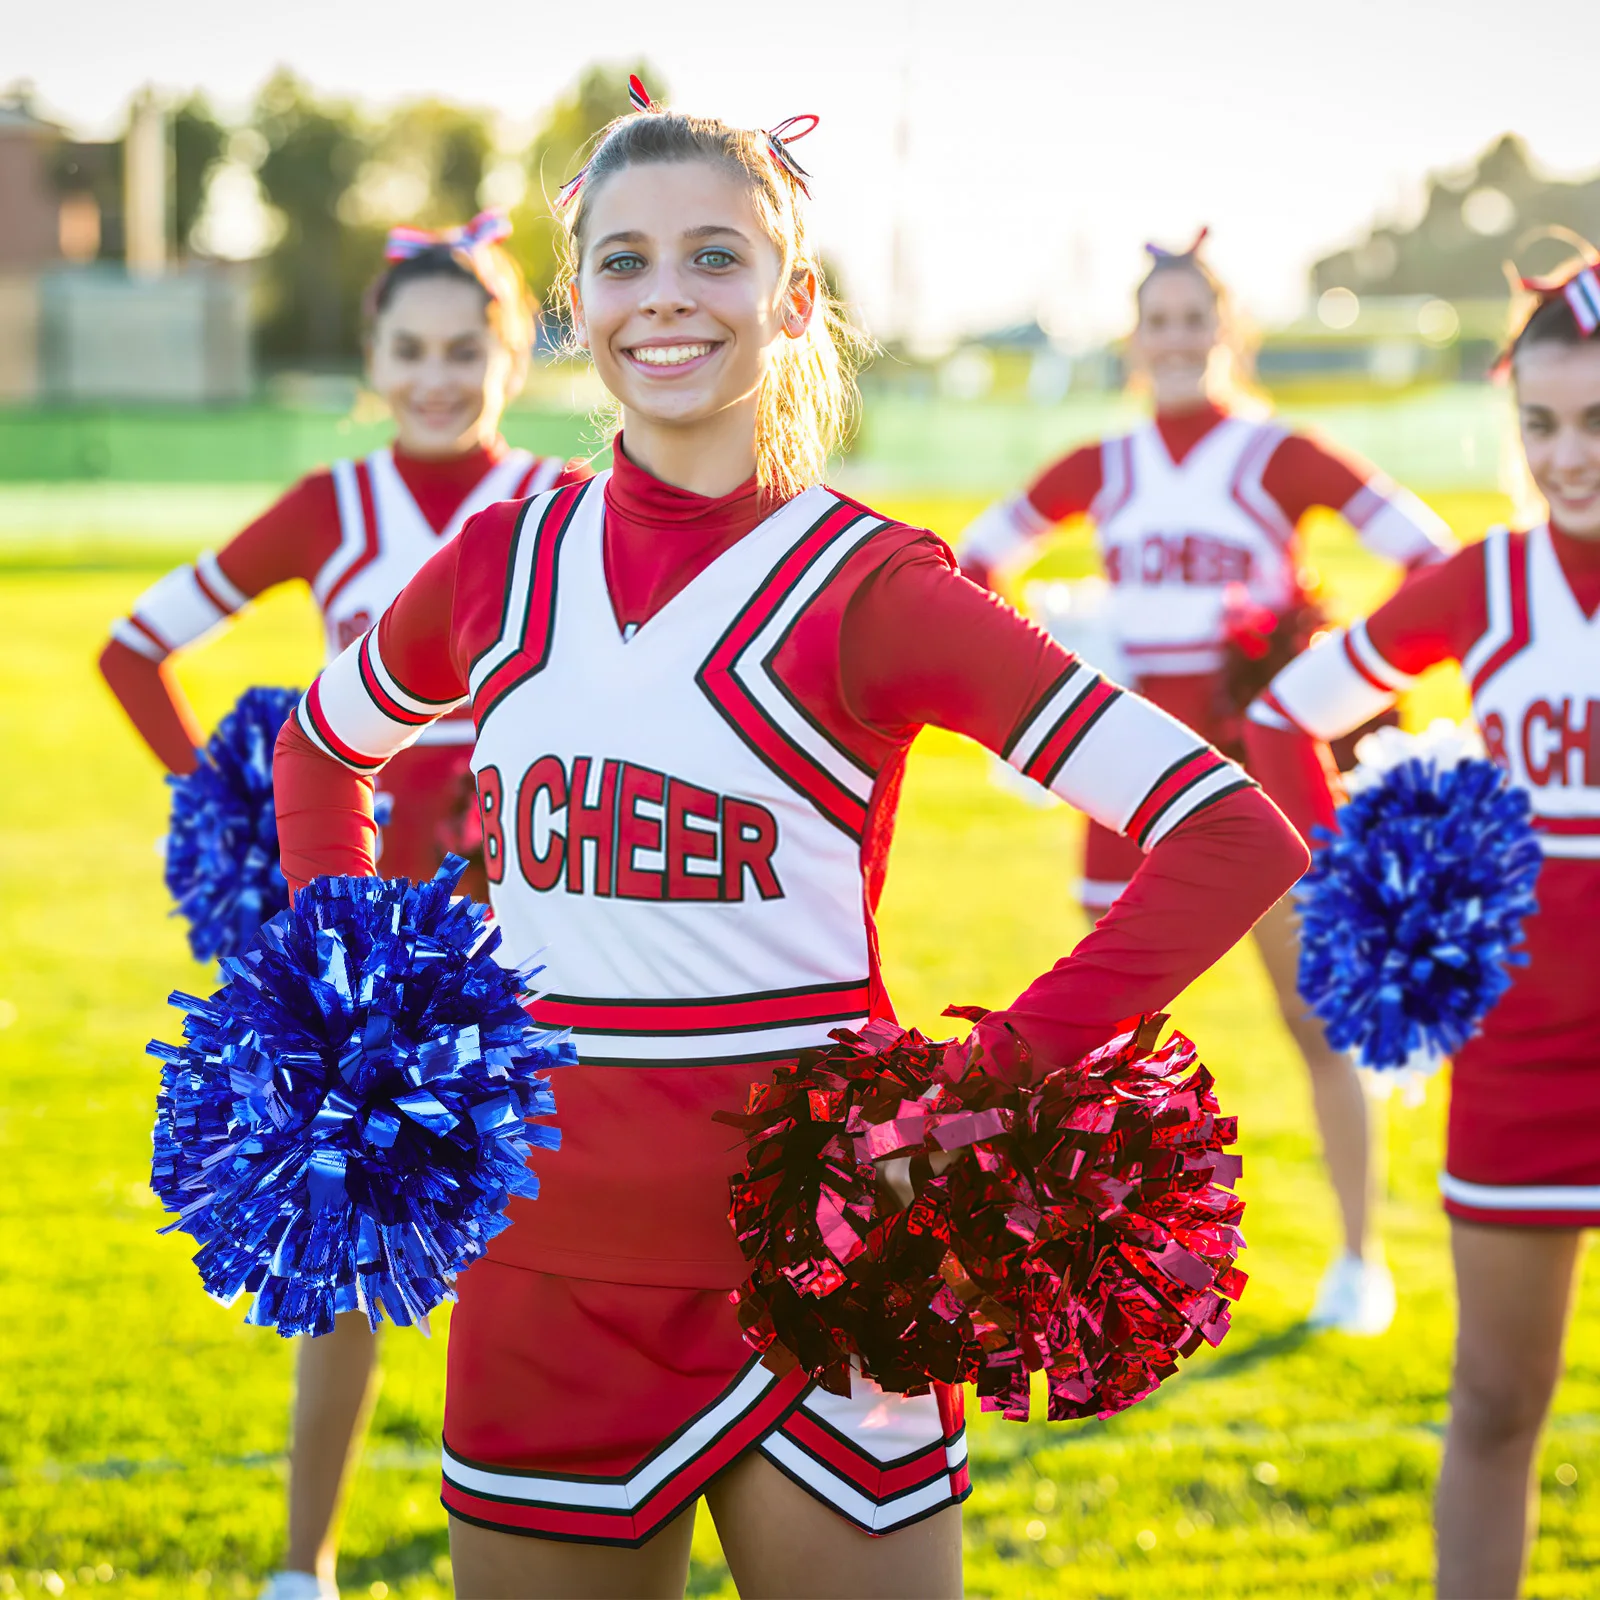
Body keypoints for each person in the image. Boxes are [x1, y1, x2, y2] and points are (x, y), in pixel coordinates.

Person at [272, 83, 1307, 1599]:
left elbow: (1229, 829)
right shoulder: (503, 559)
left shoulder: (872, 591)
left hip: (820, 1271)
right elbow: (320, 747)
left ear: (794, 299)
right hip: (543, 1267)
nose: (665, 298)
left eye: (715, 257)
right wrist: (365, 1019)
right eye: (621, 263)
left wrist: (976, 1094)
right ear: (576, 308)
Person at [98, 212, 586, 1600]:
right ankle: (303, 1570)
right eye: (410, 350)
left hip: (536, 908)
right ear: (373, 357)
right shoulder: (332, 507)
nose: (439, 377)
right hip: (366, 930)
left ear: (512, 354)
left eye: (467, 349)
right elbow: (135, 649)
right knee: (353, 1229)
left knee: (547, 1232)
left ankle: (567, 1532)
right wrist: (227, 804)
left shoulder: (563, 499)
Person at [956, 233, 1460, 1335]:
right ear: (1134, 339)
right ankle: (1083, 1289)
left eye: (1197, 320)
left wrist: (1331, 671)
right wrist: (1064, 662)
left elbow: (1432, 559)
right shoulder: (1105, 465)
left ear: (1230, 333)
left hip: (1262, 781)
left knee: (1314, 1020)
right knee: (1095, 1045)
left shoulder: (1279, 453)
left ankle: (1358, 1260)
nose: (1177, 341)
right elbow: (973, 562)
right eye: (1158, 322)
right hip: (1127, 787)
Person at [1244, 251, 1600, 1599]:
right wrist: (1364, 892)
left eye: (1599, 422)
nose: (1570, 457)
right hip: (1523, 1059)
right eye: (1545, 425)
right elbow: (1288, 715)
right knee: (1498, 1405)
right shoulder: (1490, 584)